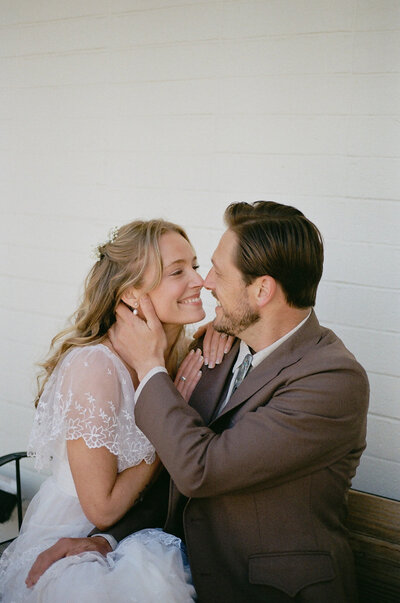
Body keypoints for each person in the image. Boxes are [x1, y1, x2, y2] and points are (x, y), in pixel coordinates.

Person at [26, 201, 369, 602]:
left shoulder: (331, 380)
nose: (205, 283)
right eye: (186, 270)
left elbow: (200, 470)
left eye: (217, 272)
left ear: (262, 290)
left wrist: (151, 367)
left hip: (269, 590)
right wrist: (107, 539)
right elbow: (172, 483)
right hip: (188, 572)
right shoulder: (217, 348)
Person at [0, 218, 231, 602]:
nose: (200, 280)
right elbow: (102, 509)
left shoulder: (182, 351)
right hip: (76, 536)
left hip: (142, 528)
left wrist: (225, 326)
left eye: (194, 265)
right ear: (132, 295)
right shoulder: (96, 367)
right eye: (177, 272)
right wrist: (170, 414)